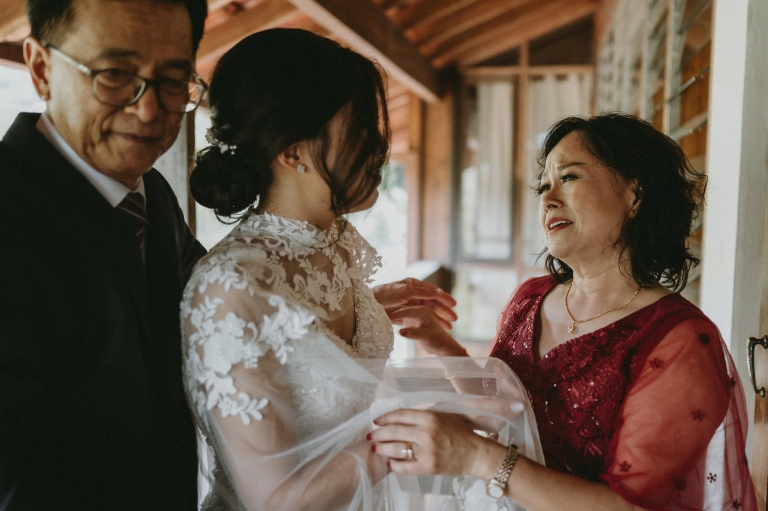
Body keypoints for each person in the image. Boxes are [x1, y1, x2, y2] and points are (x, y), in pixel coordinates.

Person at [181, 28, 542, 511]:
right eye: (361, 132)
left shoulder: (336, 244)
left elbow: (342, 379)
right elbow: (275, 502)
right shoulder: (230, 286)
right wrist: (408, 431)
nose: (379, 149)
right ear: (292, 151)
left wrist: (434, 355)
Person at [369, 113, 758, 511]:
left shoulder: (679, 340)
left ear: (635, 194)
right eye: (544, 185)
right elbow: (504, 407)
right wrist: (440, 343)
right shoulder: (530, 298)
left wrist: (477, 457)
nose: (548, 198)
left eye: (569, 178)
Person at [0, 0, 209, 509]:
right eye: (115, 75)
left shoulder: (153, 195)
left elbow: (213, 294)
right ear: (42, 68)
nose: (148, 108)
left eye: (173, 81)